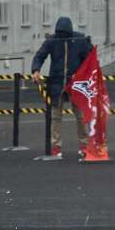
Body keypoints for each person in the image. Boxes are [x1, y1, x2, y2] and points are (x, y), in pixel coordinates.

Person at [30, 16, 93, 159]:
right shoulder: (52, 40)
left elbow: (89, 59)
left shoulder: (80, 40)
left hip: (76, 84)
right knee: (56, 116)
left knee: (81, 116)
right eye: (60, 34)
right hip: (57, 83)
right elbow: (39, 56)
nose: (62, 36)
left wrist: (87, 75)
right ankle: (56, 147)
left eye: (64, 34)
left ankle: (84, 145)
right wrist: (36, 70)